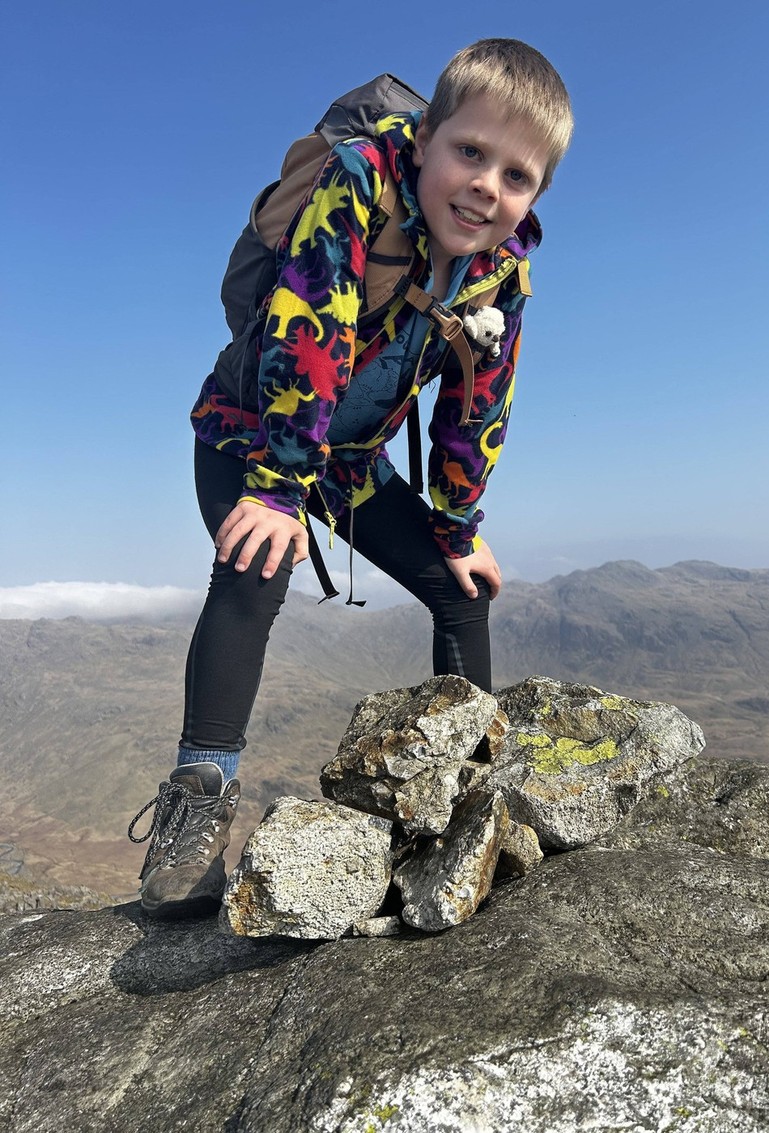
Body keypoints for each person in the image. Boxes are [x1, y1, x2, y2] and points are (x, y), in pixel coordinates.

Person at [127, 38, 574, 917]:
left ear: (536, 194)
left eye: (517, 175)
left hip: (343, 463)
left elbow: (480, 402)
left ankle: (471, 799)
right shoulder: (363, 183)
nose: (488, 186)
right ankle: (197, 804)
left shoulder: (504, 269)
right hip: (251, 435)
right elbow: (310, 327)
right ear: (426, 140)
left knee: (461, 590)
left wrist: (458, 524)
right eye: (470, 152)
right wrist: (278, 489)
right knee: (258, 566)